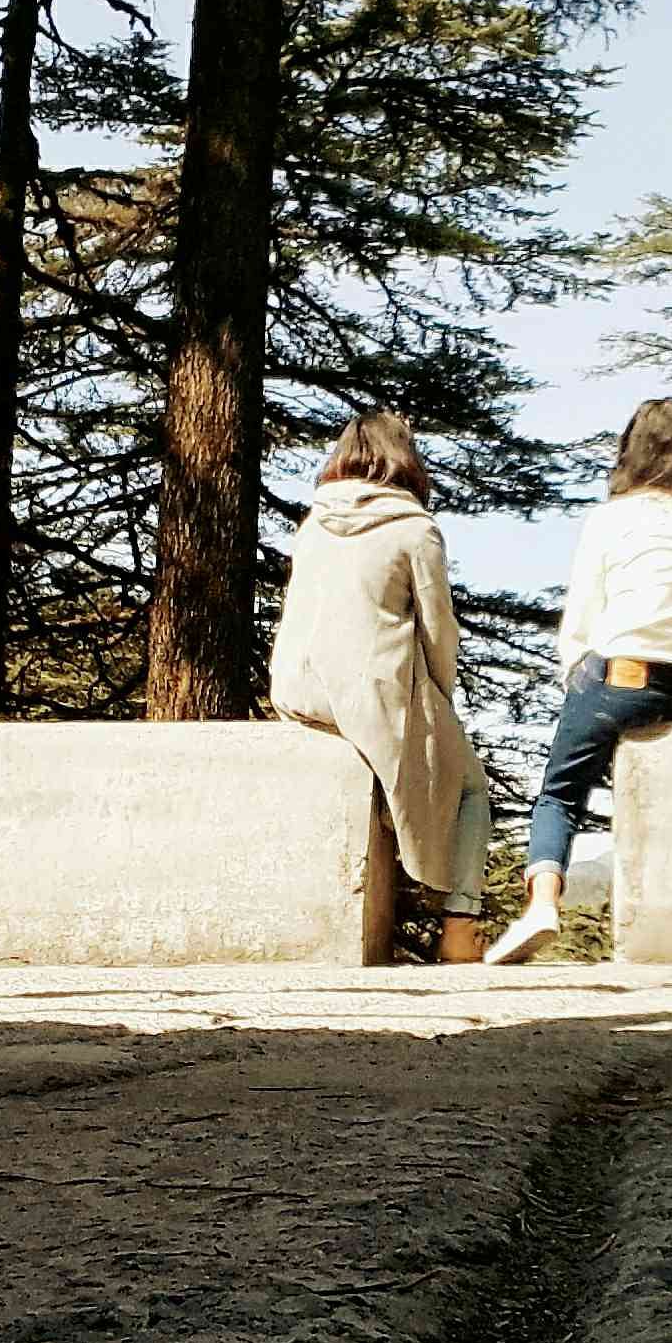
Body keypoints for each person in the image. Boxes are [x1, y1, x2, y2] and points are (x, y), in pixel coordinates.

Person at [488, 397, 672, 966]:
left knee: (560, 792)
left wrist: (577, 683)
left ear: (631, 451)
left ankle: (542, 904)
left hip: (621, 676)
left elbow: (580, 620)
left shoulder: (612, 517)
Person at [270, 411, 491, 963]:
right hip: (366, 696)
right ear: (406, 460)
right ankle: (460, 926)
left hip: (296, 690)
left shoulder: (313, 522)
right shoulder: (416, 529)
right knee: (469, 787)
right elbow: (438, 631)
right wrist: (441, 701)